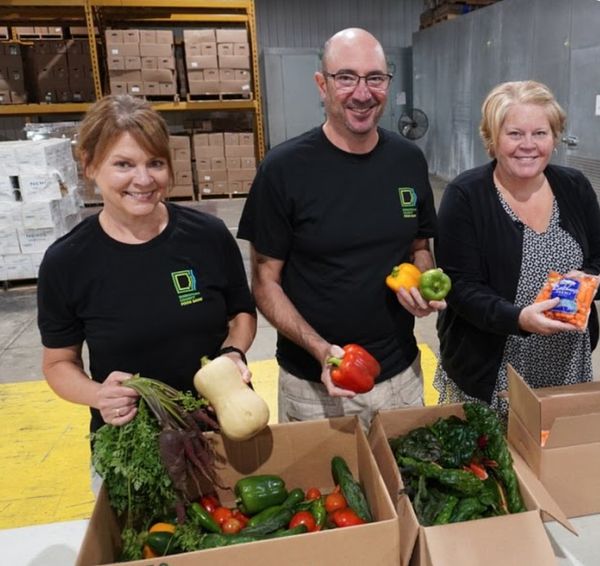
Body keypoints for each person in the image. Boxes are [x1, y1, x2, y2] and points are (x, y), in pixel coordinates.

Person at [237, 28, 444, 429]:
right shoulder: (284, 170)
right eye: (346, 77)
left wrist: (419, 282)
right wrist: (321, 351)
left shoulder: (408, 161)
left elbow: (419, 244)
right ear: (322, 84)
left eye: (375, 78)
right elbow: (265, 283)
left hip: (403, 376)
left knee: (405, 490)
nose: (362, 93)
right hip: (317, 388)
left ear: (388, 83)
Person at [37, 95, 256, 463]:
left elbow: (241, 312)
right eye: (123, 164)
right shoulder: (67, 261)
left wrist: (233, 352)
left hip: (222, 432)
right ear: (89, 165)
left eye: (155, 163)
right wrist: (97, 395)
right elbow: (58, 363)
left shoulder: (208, 235)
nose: (143, 179)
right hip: (130, 444)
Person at [434, 80, 600, 419]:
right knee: (492, 461)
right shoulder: (465, 196)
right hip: (490, 366)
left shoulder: (574, 187)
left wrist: (589, 280)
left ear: (554, 138)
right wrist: (519, 319)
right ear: (493, 139)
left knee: (554, 460)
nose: (528, 145)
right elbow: (460, 287)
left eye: (540, 133)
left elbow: (599, 258)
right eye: (514, 134)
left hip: (564, 361)